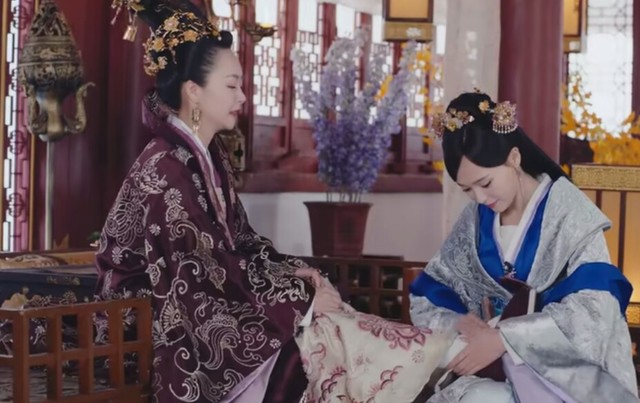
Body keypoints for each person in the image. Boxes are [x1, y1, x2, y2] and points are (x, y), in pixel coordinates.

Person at [96, 1, 452, 402]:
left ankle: (427, 359)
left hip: (199, 296)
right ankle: (432, 356)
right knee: (311, 347)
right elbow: (201, 268)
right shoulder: (166, 167)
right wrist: (301, 300)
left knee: (328, 325)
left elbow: (241, 242)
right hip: (153, 318)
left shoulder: (207, 155)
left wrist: (299, 276)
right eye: (231, 86)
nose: (243, 96)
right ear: (193, 91)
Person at [409, 91, 639, 403]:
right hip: (491, 370)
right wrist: (461, 322)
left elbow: (594, 311)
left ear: (514, 158)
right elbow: (430, 294)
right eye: (467, 190)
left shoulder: (570, 216)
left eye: (485, 183)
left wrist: (505, 338)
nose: (479, 198)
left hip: (562, 376)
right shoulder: (475, 220)